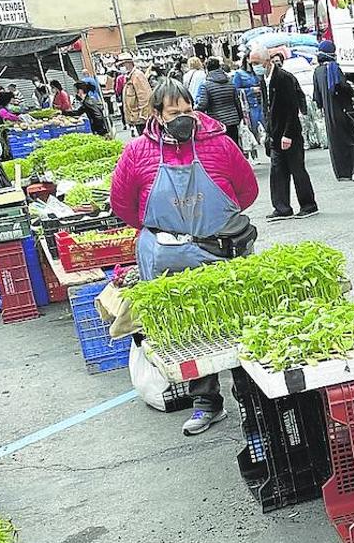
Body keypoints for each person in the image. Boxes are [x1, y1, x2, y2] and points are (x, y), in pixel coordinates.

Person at [110, 79, 258, 435]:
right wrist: (167, 232)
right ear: (157, 115)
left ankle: (252, 401)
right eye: (175, 112)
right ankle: (206, 402)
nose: (184, 117)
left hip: (217, 248)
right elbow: (122, 204)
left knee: (236, 322)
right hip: (166, 257)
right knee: (188, 329)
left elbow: (247, 191)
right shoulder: (138, 152)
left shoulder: (219, 144)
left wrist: (209, 223)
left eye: (188, 110)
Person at [251, 46, 318, 220]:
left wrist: (288, 133)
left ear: (267, 61)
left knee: (297, 170)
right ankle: (282, 207)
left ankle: (308, 205)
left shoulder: (283, 78)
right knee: (277, 170)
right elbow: (267, 107)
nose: (254, 66)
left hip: (289, 132)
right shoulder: (264, 79)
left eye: (256, 63)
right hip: (274, 133)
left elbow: (291, 108)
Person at [314, 40, 354, 182]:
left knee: (336, 143)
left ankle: (343, 173)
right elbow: (343, 87)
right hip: (343, 110)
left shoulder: (317, 71)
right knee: (351, 138)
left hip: (329, 114)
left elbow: (317, 97)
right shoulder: (333, 68)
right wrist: (352, 91)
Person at [194, 57, 243, 147]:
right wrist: (240, 117)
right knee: (234, 146)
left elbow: (203, 104)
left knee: (223, 148)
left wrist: (193, 110)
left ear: (206, 69)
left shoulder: (206, 85)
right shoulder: (230, 82)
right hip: (233, 121)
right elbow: (237, 101)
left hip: (217, 122)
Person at [232, 56, 264, 160]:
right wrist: (250, 90)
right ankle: (253, 156)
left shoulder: (258, 73)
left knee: (263, 129)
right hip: (248, 106)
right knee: (250, 131)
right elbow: (235, 90)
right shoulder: (239, 74)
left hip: (260, 104)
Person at [118, 52, 155, 131]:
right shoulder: (129, 77)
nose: (121, 67)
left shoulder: (137, 76)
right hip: (137, 118)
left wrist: (144, 116)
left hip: (142, 119)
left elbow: (145, 97)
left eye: (122, 65)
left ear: (129, 63)